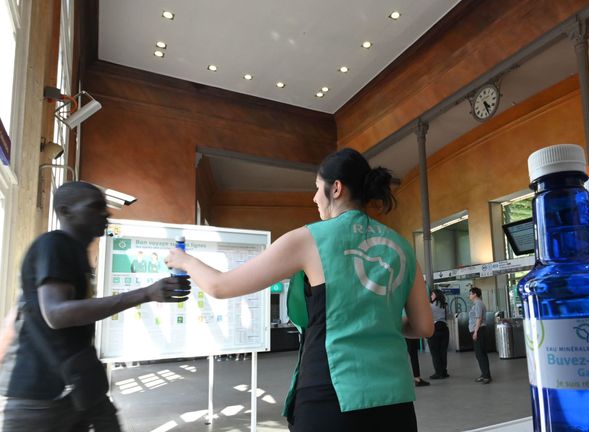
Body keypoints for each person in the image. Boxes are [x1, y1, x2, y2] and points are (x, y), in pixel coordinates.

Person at [165, 148, 433, 431]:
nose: (315, 197)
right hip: (396, 404)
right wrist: (380, 320)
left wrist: (185, 260)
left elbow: (220, 286)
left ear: (337, 188)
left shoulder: (310, 239)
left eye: (318, 188)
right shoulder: (402, 247)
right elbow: (424, 327)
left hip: (331, 398)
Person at [0, 181, 191, 432]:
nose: (106, 213)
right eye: (95, 207)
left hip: (76, 386)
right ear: (66, 212)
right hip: (42, 397)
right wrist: (145, 293)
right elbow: (56, 314)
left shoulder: (74, 252)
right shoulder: (55, 244)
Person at [468, 287, 491, 384]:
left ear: (475, 294)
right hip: (478, 330)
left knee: (480, 354)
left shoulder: (478, 304)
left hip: (479, 330)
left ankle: (486, 376)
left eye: (470, 293)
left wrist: (476, 331)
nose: (469, 295)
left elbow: (479, 318)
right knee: (480, 354)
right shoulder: (477, 303)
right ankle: (484, 373)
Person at [427, 288, 449, 379]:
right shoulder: (445, 306)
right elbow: (447, 316)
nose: (431, 296)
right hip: (444, 329)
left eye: (432, 294)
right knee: (443, 352)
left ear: (436, 295)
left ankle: (438, 373)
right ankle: (444, 372)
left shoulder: (430, 306)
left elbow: (427, 318)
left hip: (434, 329)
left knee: (435, 352)